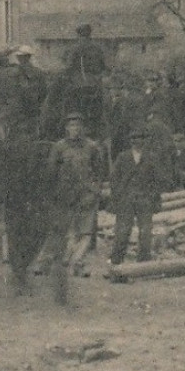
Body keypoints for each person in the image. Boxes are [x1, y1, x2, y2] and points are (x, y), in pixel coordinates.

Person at [46, 112, 108, 292]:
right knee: (68, 232)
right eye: (72, 126)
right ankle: (70, 263)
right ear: (66, 128)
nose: (75, 129)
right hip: (65, 195)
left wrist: (95, 192)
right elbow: (51, 172)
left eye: (78, 126)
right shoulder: (59, 147)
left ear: (84, 128)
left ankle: (77, 262)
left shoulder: (92, 147)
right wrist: (54, 193)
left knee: (86, 233)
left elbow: (100, 172)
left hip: (86, 195)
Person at [107, 127, 167, 266]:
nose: (136, 141)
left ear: (144, 140)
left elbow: (158, 179)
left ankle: (143, 264)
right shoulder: (123, 157)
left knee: (145, 232)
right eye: (133, 139)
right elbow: (114, 178)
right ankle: (116, 262)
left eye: (139, 138)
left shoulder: (151, 157)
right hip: (126, 199)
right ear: (130, 141)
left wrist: (153, 195)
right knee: (122, 231)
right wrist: (118, 195)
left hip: (145, 199)